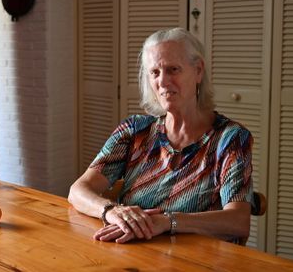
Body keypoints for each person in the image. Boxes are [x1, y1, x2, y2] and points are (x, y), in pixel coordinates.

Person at [68, 27, 253, 244]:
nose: (163, 82)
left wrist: (167, 221)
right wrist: (111, 211)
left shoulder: (230, 139)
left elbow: (238, 221)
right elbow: (78, 190)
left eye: (173, 69)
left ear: (198, 71)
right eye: (155, 72)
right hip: (131, 255)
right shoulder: (134, 131)